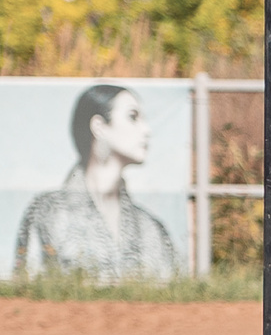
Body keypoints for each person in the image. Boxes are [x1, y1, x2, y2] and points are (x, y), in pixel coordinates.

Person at [12, 83, 181, 282]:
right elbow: (27, 287)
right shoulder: (48, 212)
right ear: (99, 127)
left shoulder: (151, 229)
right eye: (133, 117)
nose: (147, 130)